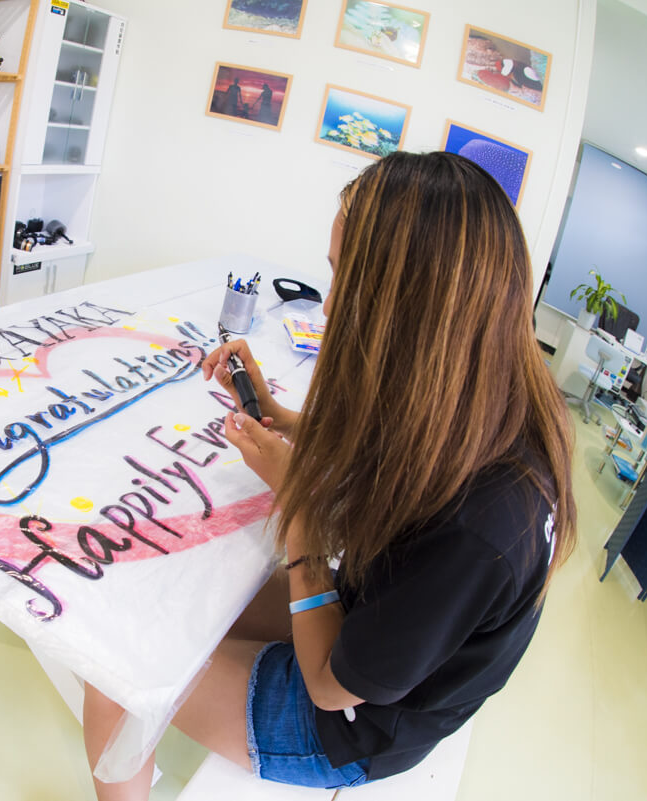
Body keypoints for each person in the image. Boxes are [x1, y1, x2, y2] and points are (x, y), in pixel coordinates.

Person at [82, 151, 577, 798]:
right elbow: (396, 450)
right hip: (373, 621)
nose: (328, 305)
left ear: (413, 304)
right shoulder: (487, 402)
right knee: (180, 588)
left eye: (344, 276)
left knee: (116, 665)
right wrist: (283, 415)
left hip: (352, 725)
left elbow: (327, 683)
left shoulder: (485, 524)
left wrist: (300, 507)